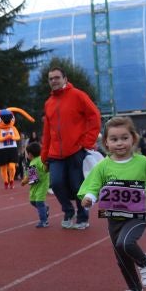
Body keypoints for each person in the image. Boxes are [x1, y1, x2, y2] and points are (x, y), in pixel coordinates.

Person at [78, 117, 146, 291]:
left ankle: (145, 261)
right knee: (121, 256)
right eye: (114, 139)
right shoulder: (103, 166)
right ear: (106, 143)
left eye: (124, 138)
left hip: (137, 217)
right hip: (114, 218)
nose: (120, 143)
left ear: (133, 139)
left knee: (125, 243)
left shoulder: (143, 162)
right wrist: (89, 199)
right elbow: (93, 186)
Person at [41, 66, 101, 230]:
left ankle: (82, 217)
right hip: (54, 153)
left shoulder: (78, 96)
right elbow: (47, 131)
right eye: (51, 78)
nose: (53, 81)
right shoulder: (49, 103)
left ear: (65, 79)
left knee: (78, 186)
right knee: (56, 183)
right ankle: (68, 211)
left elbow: (94, 116)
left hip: (76, 150)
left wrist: (86, 142)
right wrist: (44, 155)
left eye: (57, 77)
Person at [23, 142, 50, 228]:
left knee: (39, 202)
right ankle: (45, 208)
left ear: (30, 154)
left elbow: (44, 169)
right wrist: (26, 180)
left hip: (42, 185)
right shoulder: (32, 162)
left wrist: (46, 165)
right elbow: (32, 178)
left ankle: (44, 221)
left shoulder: (39, 160)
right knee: (33, 201)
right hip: (35, 186)